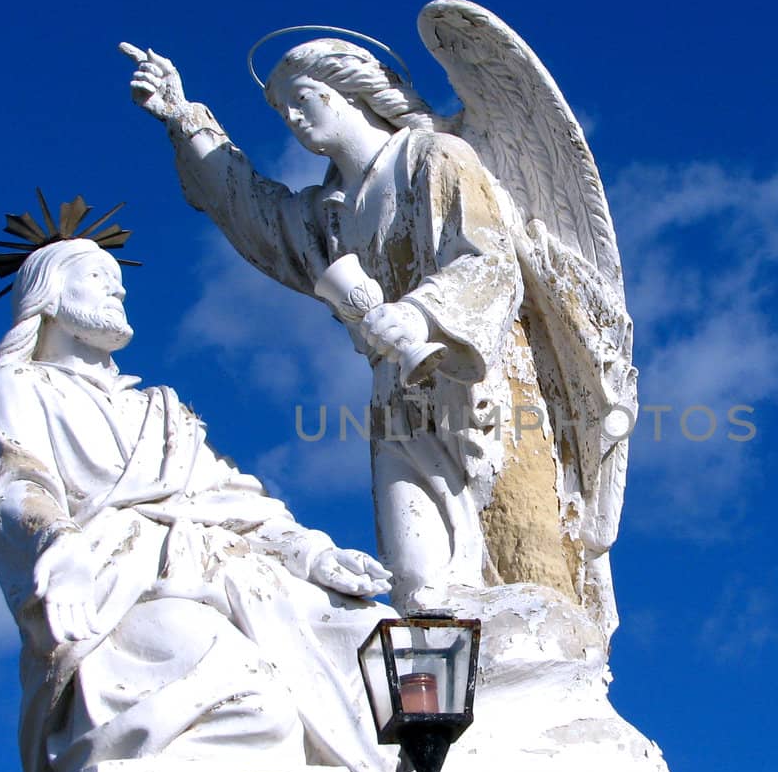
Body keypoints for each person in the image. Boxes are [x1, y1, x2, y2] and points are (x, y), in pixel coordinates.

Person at [122, 39, 580, 612]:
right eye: (281, 110)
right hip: (399, 405)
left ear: (350, 93)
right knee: (418, 585)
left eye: (303, 98)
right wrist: (184, 118)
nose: (292, 117)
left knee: (521, 576)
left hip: (481, 392)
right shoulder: (328, 213)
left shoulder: (435, 157)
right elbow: (253, 212)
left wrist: (417, 312)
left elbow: (490, 261)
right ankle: (437, 699)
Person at [0, 237, 396, 772]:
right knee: (255, 700)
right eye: (100, 276)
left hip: (222, 565)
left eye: (119, 276)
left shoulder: (160, 409)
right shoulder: (24, 385)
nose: (119, 288)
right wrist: (58, 546)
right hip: (123, 582)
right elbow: (19, 485)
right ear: (52, 294)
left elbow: (233, 498)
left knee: (373, 635)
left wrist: (311, 554)